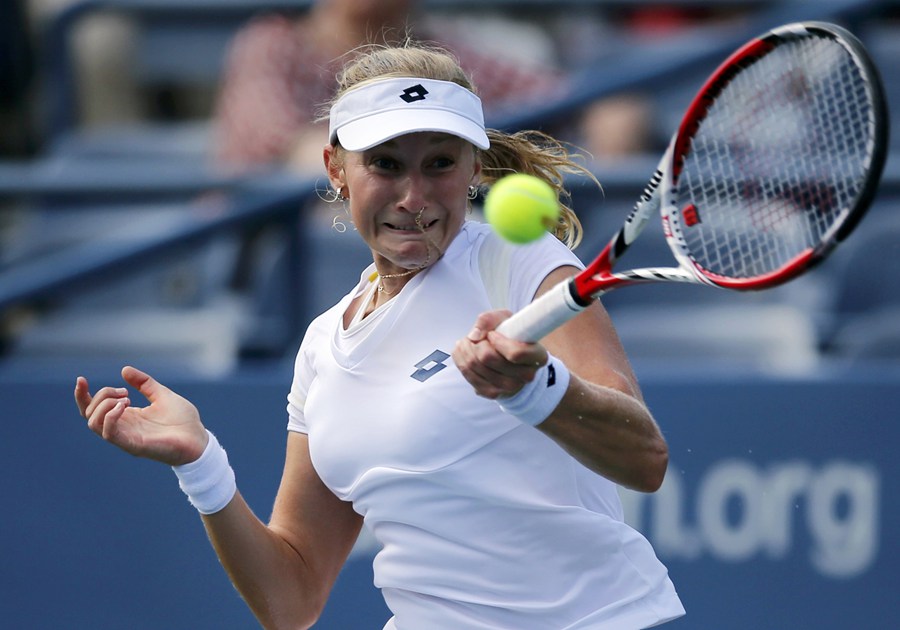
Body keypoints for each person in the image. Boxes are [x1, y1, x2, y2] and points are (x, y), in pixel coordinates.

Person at [75, 42, 685, 629]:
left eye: (439, 164)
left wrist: (535, 388)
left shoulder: (519, 261)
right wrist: (201, 465)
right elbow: (291, 600)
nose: (413, 198)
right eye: (386, 165)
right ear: (336, 168)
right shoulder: (321, 345)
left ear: (474, 167)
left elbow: (645, 458)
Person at [212, 0, 565, 172]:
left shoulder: (439, 51)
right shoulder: (271, 43)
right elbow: (288, 148)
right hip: (261, 251)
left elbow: (557, 95)